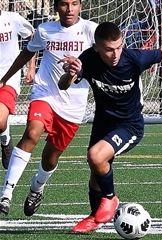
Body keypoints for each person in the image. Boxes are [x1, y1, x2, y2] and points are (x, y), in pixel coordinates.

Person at [58, 22, 162, 233]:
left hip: (130, 125)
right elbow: (63, 85)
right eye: (108, 49)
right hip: (103, 123)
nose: (115, 53)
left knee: (96, 156)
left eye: (118, 47)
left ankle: (110, 199)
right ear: (97, 47)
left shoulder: (133, 57)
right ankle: (95, 218)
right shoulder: (87, 59)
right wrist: (71, 74)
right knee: (96, 171)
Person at [0, 0, 97, 217]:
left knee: (50, 157)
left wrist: (81, 67)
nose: (69, 9)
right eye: (64, 4)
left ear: (80, 6)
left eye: (74, 4)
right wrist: (5, 79)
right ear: (56, 7)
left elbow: (108, 55)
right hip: (44, 93)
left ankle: (37, 188)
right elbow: (26, 53)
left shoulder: (90, 30)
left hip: (73, 104)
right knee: (32, 132)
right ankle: (6, 192)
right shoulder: (45, 30)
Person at [0, 9, 35, 170]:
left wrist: (31, 67)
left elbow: (31, 38)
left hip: (9, 76)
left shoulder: (12, 19)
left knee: (0, 120)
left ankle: (5, 142)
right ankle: (5, 137)